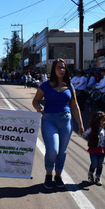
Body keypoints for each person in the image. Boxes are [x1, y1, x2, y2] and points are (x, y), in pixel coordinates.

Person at [32, 58, 84, 189]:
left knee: (62, 151)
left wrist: (80, 124)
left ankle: (58, 176)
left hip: (66, 120)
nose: (61, 70)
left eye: (63, 67)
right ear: (53, 69)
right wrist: (38, 107)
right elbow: (36, 100)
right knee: (52, 150)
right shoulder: (45, 85)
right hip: (49, 120)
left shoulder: (70, 86)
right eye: (58, 67)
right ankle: (48, 175)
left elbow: (74, 104)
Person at [82, 111, 105, 186]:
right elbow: (85, 134)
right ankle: (90, 174)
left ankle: (98, 177)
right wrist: (83, 133)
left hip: (102, 150)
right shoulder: (92, 129)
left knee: (100, 165)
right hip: (94, 149)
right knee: (94, 163)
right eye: (103, 120)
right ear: (97, 121)